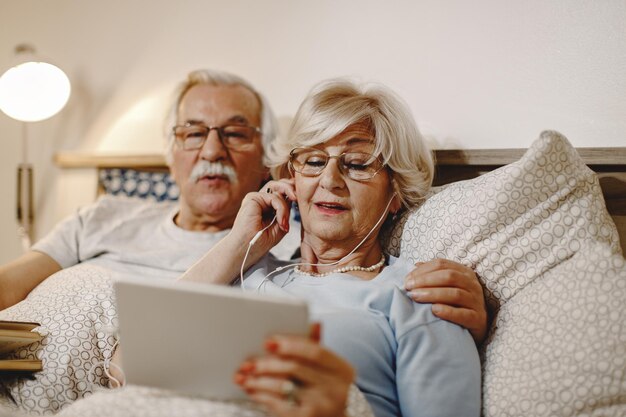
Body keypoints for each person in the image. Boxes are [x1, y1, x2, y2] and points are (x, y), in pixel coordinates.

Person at [179, 78, 482, 417]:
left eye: (356, 164)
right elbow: (132, 358)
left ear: (395, 192)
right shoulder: (245, 270)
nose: (330, 180)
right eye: (313, 161)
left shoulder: (420, 297)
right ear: (289, 178)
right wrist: (237, 243)